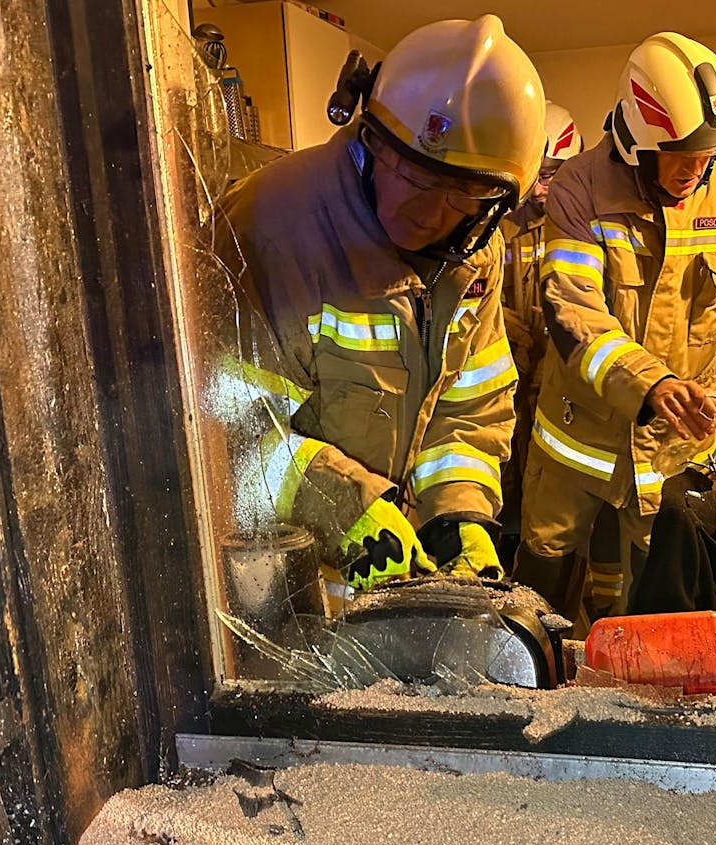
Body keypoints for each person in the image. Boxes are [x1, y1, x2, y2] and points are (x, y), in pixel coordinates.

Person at [211, 16, 546, 594]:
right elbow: (223, 434)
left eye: (461, 193)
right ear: (368, 134)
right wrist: (346, 507)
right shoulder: (269, 228)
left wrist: (458, 514)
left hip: (390, 571)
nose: (425, 209)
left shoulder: (474, 260)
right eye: (410, 172)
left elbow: (470, 405)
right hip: (280, 581)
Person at [513, 32, 716, 616]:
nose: (698, 171)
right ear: (637, 142)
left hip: (676, 463)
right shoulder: (579, 193)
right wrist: (653, 385)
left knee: (657, 621)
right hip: (576, 461)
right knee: (544, 611)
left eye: (708, 155)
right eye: (682, 155)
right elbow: (574, 316)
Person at [496, 101, 581, 564]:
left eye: (556, 173)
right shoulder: (499, 224)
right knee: (508, 472)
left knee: (555, 483)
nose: (544, 187)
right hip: (510, 377)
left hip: (559, 383)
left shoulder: (578, 226)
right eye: (539, 173)